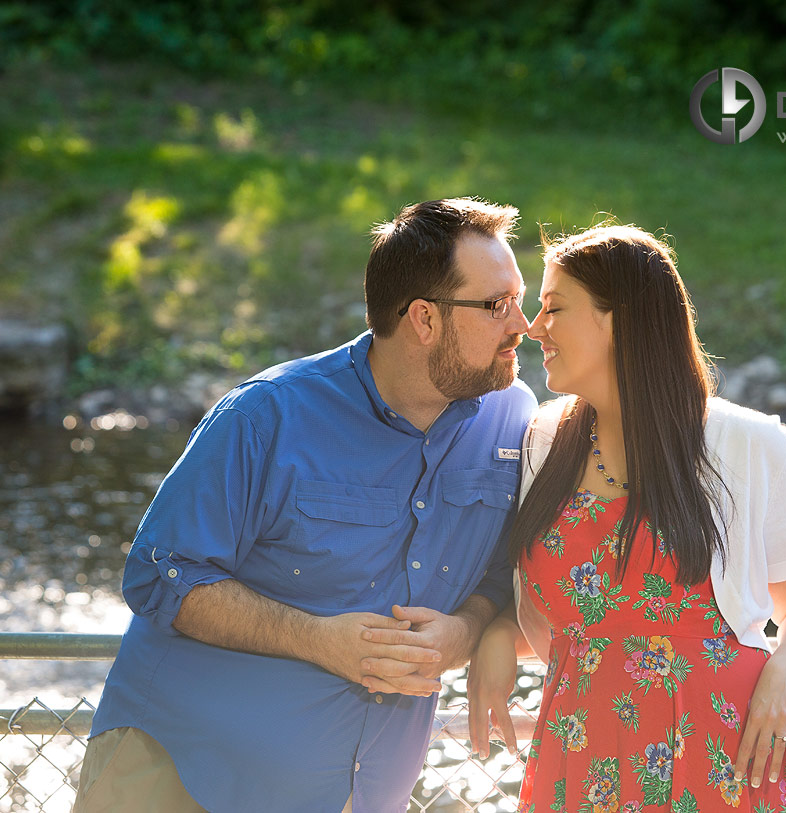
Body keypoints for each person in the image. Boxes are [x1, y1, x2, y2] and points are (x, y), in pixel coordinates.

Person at [74, 198, 537, 813]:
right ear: (423, 319)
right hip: (181, 777)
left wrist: (469, 631)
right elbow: (162, 575)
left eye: (520, 299)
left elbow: (507, 572)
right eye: (496, 305)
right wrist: (318, 639)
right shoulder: (265, 415)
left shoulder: (516, 420)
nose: (522, 323)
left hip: (359, 794)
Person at [466, 224, 786, 812]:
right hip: (581, 753)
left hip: (726, 757)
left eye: (554, 308)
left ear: (618, 320)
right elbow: (589, 613)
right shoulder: (540, 442)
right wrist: (498, 631)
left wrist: (785, 671)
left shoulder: (750, 443)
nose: (535, 327)